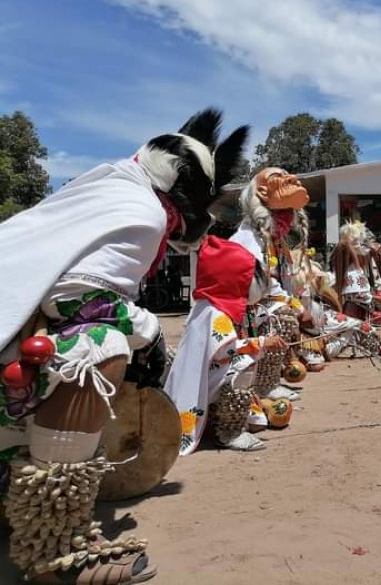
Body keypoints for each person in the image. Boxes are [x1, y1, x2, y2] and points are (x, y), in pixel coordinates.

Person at [0, 108, 248, 583]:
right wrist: (150, 331)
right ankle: (52, 547)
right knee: (101, 346)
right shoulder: (143, 210)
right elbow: (73, 297)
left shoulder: (103, 188)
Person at [164, 236, 288, 454]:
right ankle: (230, 433)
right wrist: (261, 342)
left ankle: (222, 420)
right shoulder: (215, 313)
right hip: (207, 379)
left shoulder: (210, 307)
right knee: (243, 367)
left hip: (205, 378)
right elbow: (226, 350)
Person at [230, 167, 311, 402]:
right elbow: (261, 286)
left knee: (290, 314)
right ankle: (263, 385)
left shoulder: (270, 240)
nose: (288, 217)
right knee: (284, 317)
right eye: (282, 212)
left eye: (289, 211)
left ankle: (268, 380)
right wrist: (295, 308)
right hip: (240, 311)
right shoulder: (248, 239)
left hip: (258, 306)